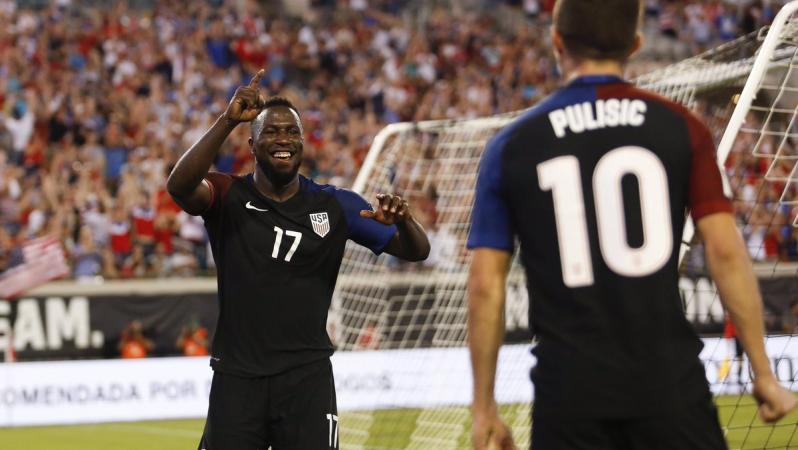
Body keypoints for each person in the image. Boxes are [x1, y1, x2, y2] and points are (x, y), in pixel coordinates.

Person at [466, 1, 797, 449]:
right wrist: (762, 372)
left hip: (568, 398)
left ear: (557, 41)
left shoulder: (511, 145)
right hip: (670, 390)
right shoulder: (682, 128)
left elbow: (486, 285)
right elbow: (725, 251)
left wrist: (484, 407)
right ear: (635, 44)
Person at [167, 69, 430, 450]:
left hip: (307, 381)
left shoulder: (335, 205)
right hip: (238, 379)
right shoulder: (228, 195)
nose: (283, 140)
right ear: (252, 144)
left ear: (303, 143)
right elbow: (179, 187)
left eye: (292, 132)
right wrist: (227, 120)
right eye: (271, 132)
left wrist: (404, 220)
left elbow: (416, 250)